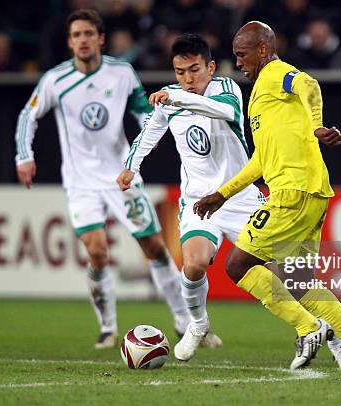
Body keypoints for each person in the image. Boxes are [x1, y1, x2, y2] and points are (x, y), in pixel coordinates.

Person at [14, 9, 220, 350]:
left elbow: (143, 111)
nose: (82, 40)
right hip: (80, 182)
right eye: (76, 35)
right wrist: (25, 157)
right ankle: (108, 327)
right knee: (96, 251)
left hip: (120, 177)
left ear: (100, 38)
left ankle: (185, 323)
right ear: (69, 42)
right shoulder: (55, 80)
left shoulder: (121, 73)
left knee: (154, 247)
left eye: (88, 34)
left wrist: (154, 141)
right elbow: (28, 116)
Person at [194, 21, 341, 370]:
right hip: (312, 192)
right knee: (298, 282)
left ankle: (308, 327)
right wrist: (222, 195)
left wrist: (316, 123)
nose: (238, 63)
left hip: (292, 192)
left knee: (238, 265)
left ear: (263, 50)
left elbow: (307, 83)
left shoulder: (276, 73)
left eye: (242, 55)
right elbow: (261, 161)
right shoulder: (261, 98)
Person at [117, 33, 260, 361]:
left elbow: (221, 112)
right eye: (180, 72)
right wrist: (130, 167)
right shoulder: (171, 100)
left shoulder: (226, 90)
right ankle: (198, 323)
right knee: (193, 264)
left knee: (284, 268)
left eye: (194, 70)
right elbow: (148, 134)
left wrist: (175, 98)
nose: (187, 79)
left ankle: (323, 331)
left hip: (240, 197)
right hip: (198, 199)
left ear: (210, 67)